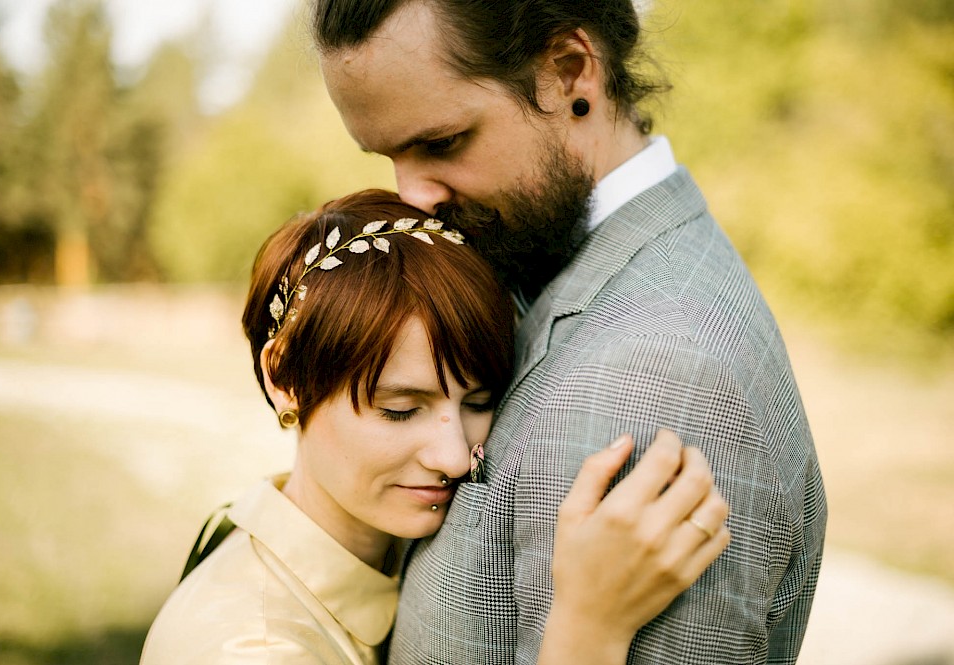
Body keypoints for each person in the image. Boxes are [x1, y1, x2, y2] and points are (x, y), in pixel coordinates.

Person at [310, 1, 828, 663]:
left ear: (570, 73)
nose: (413, 197)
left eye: (441, 143)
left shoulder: (656, 372)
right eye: (387, 155)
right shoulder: (541, 263)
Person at [139, 190, 730, 664]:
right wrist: (590, 628)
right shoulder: (249, 648)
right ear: (285, 380)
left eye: (479, 401)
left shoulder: (393, 555)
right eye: (400, 409)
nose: (453, 457)